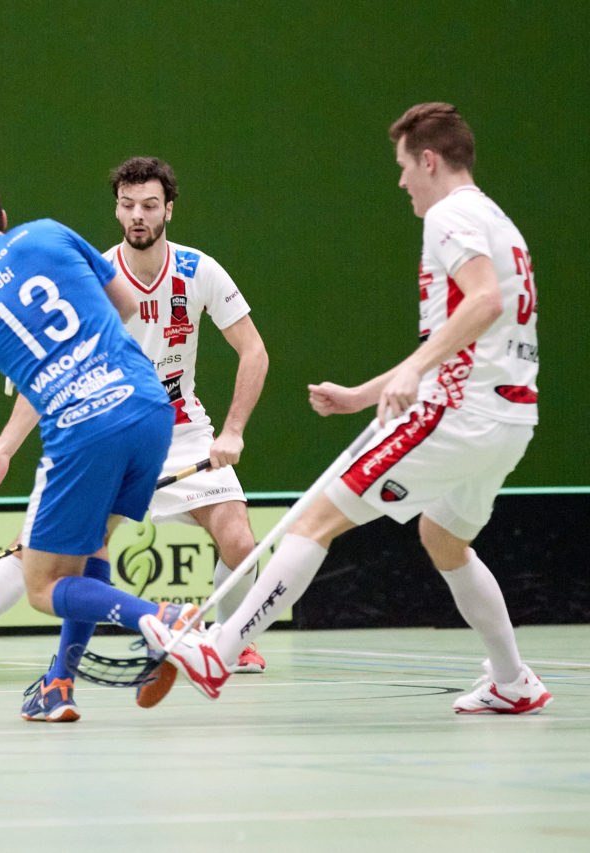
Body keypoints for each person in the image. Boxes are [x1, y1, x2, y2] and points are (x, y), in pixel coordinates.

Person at [158, 103, 551, 715]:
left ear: (428, 160)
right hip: (509, 418)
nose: (400, 183)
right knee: (443, 537)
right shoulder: (497, 220)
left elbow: (484, 302)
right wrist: (362, 396)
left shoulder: (450, 215)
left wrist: (417, 373)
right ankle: (512, 679)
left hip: (458, 411)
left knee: (312, 520)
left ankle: (222, 652)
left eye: (403, 167)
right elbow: (463, 333)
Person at [0, 157, 270, 695]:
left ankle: (220, 637)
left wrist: (234, 431)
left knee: (238, 543)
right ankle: (0, 652)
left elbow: (253, 350)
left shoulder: (199, 270)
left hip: (176, 429)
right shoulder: (78, 256)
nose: (137, 216)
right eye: (127, 206)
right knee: (56, 549)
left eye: (149, 206)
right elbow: (57, 370)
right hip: (137, 414)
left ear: (168, 209)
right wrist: (5, 448)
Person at [0, 170, 195, 722]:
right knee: (91, 550)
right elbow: (124, 304)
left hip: (82, 429)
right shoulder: (49, 233)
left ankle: (163, 619)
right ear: (3, 218)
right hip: (150, 406)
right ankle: (59, 685)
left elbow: (40, 372)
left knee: (41, 583)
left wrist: (8, 443)